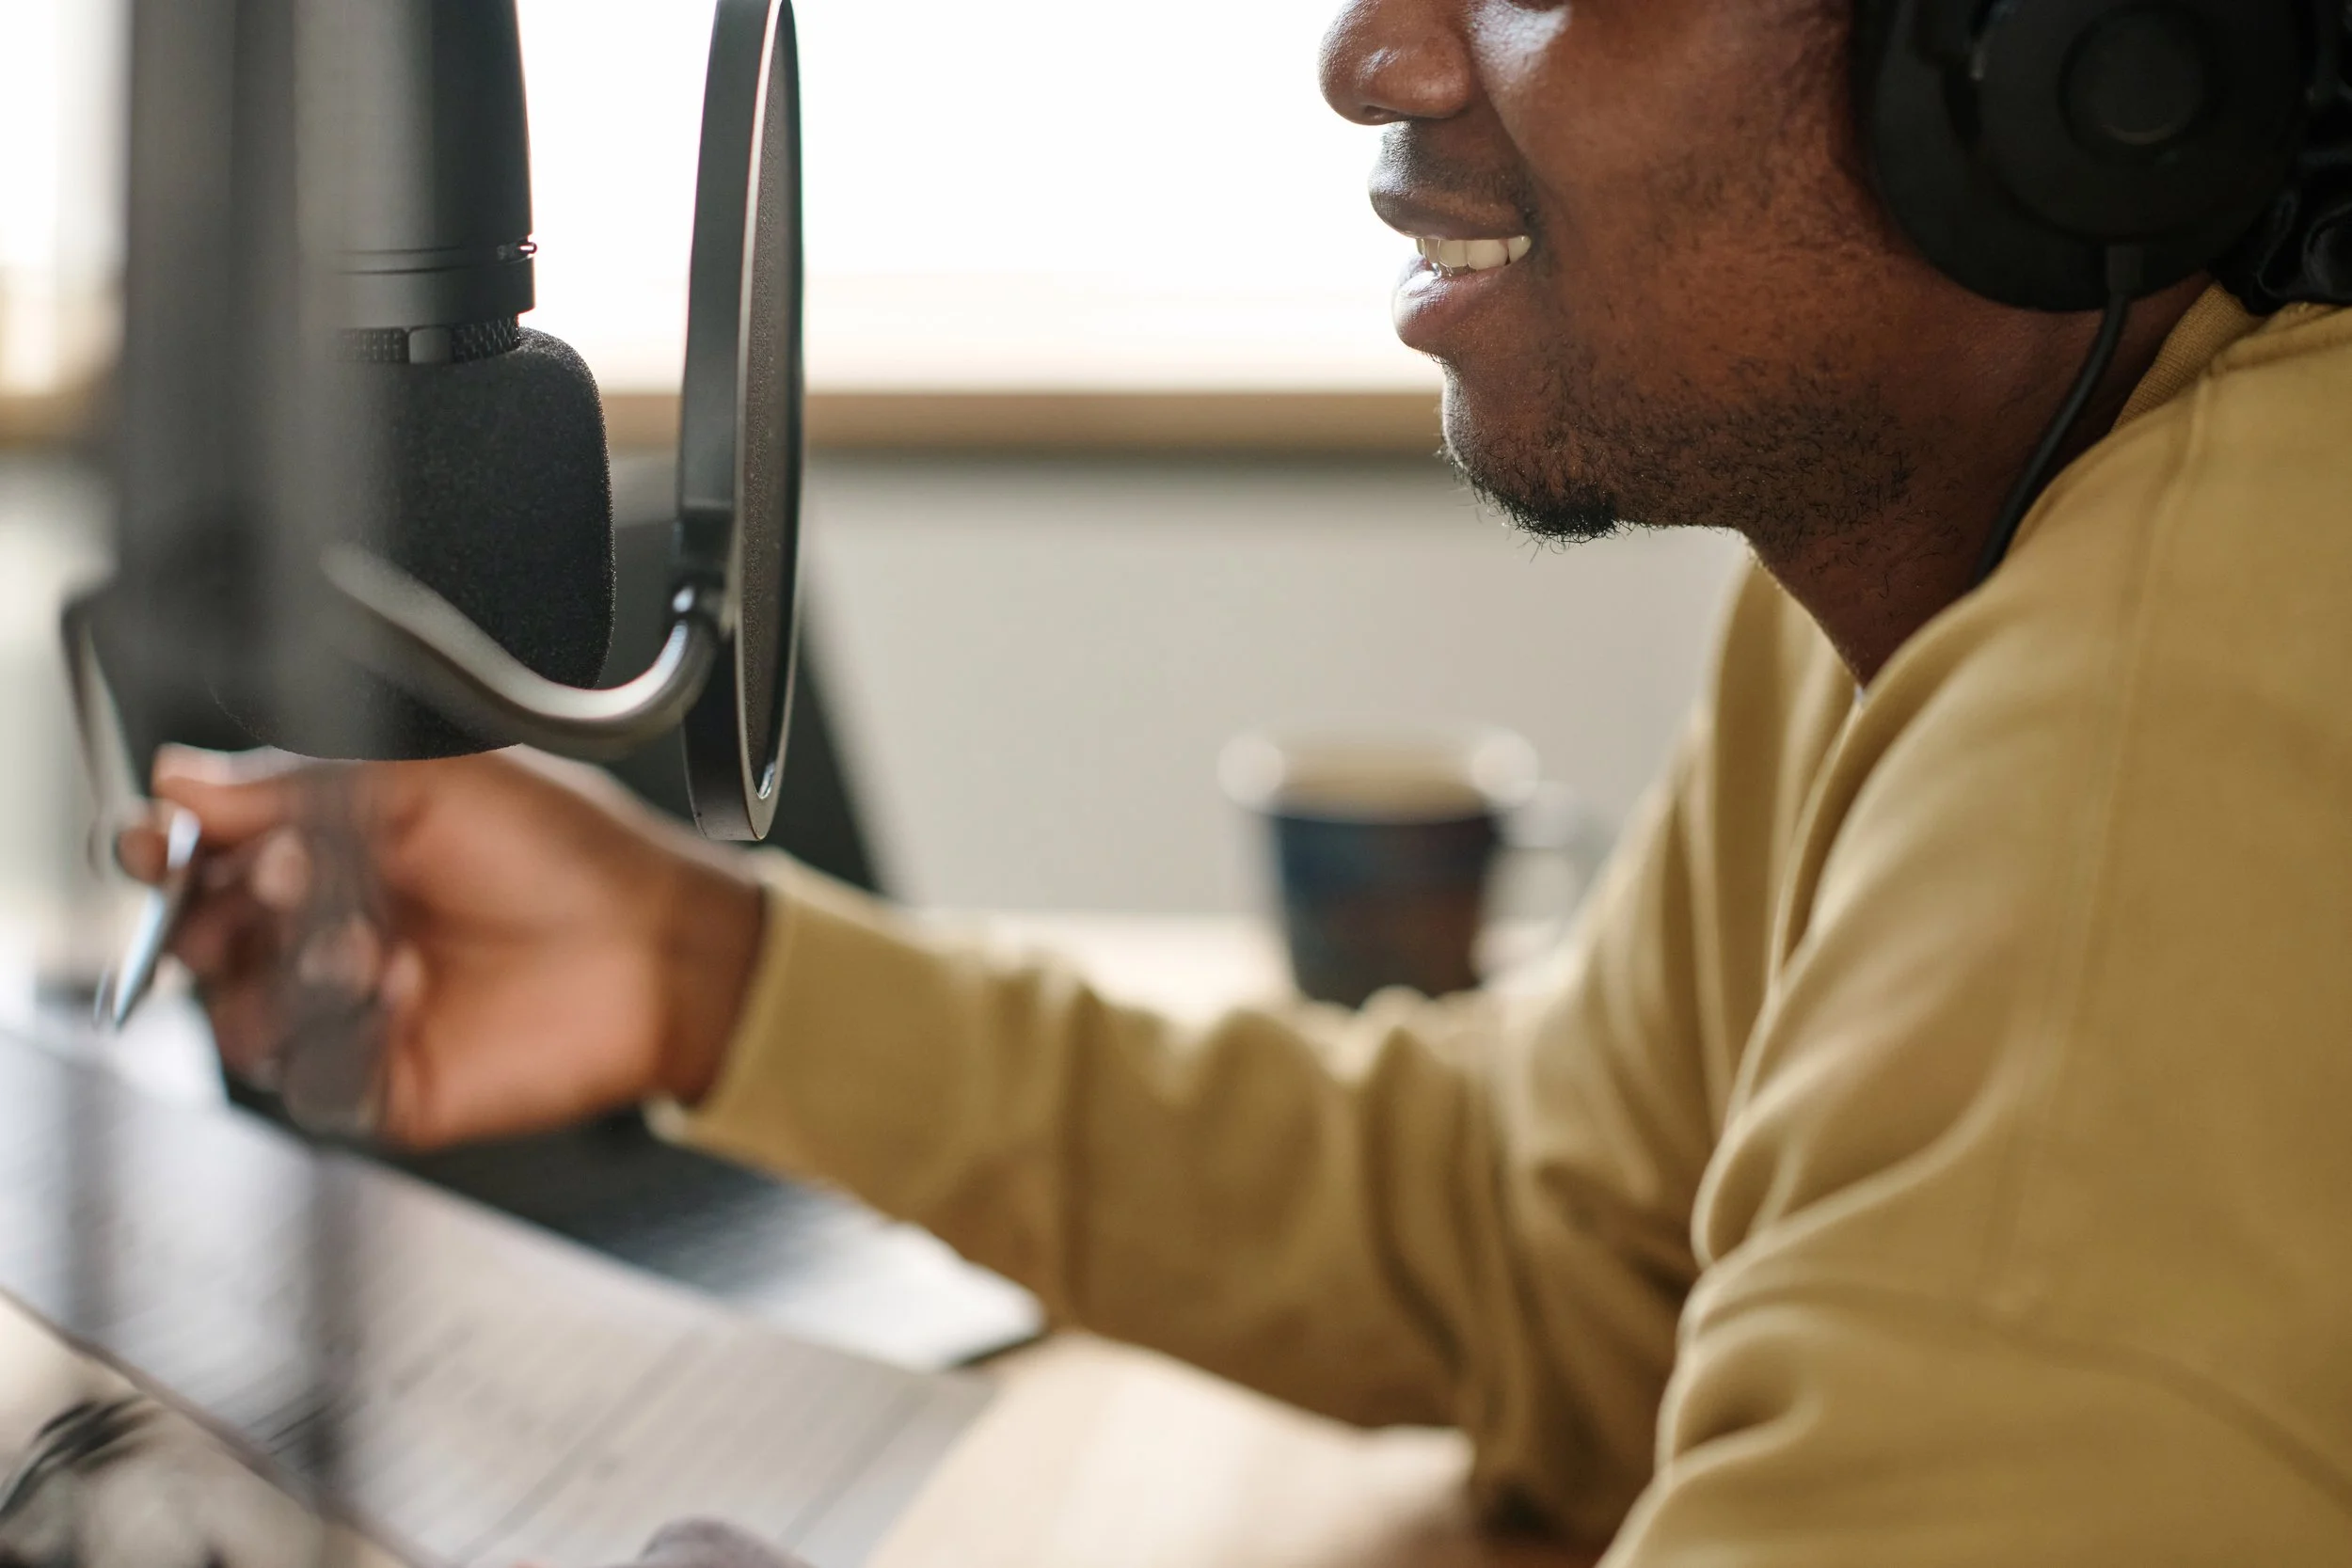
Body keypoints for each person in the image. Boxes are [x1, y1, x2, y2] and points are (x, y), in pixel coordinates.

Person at [125, 0, 2352, 1560]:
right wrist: (716, 978)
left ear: (2065, 57)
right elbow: (1553, 1241)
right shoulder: (1923, 550)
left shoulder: (2180, 707)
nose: (1367, 53)